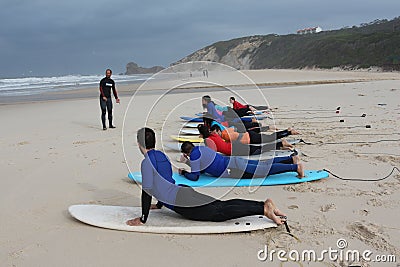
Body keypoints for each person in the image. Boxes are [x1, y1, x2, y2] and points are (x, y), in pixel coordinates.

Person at [125, 127, 286, 226]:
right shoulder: (162, 156)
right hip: (184, 191)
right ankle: (263, 205)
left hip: (180, 202)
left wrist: (143, 218)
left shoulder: (146, 163)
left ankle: (264, 209)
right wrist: (159, 206)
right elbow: (166, 180)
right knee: (220, 205)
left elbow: (146, 192)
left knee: (219, 213)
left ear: (140, 145)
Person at [179, 141, 304, 180]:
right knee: (264, 163)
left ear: (186, 153)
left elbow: (195, 176)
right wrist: (188, 163)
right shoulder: (201, 148)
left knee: (264, 170)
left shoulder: (194, 156)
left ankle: (295, 167)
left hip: (233, 169)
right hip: (233, 161)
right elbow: (201, 169)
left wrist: (184, 172)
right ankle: (290, 159)